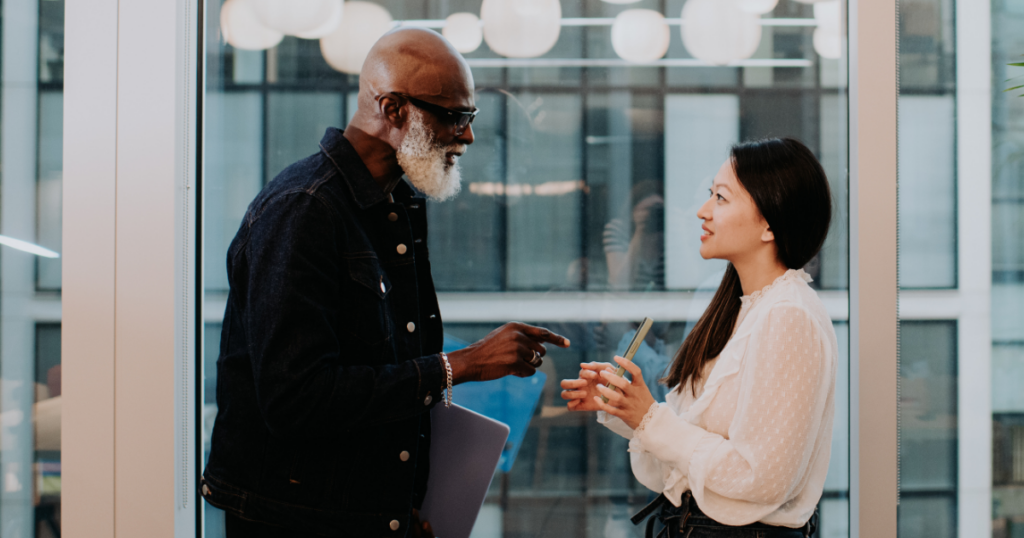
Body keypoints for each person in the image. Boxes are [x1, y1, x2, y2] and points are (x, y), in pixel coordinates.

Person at [201, 28, 570, 538]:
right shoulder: (303, 209)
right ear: (393, 109)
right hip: (298, 521)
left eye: (471, 118)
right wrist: (458, 366)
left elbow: (382, 378)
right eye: (454, 116)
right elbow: (296, 399)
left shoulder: (396, 202)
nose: (467, 136)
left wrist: (398, 508)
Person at [561, 138, 836, 538]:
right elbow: (689, 447)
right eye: (710, 195)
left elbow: (761, 478)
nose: (702, 211)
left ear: (769, 224)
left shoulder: (788, 315)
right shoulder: (738, 308)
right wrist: (626, 408)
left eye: (721, 198)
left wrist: (648, 418)